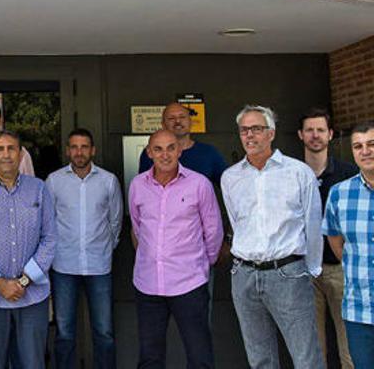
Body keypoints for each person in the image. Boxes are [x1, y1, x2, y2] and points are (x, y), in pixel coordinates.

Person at [222, 105, 324, 368]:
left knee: (306, 356)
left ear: (271, 133)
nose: (249, 135)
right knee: (260, 358)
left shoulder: (298, 172)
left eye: (256, 128)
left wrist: (311, 270)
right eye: (244, 130)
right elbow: (237, 223)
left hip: (288, 274)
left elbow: (313, 226)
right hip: (244, 276)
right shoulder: (230, 177)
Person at [129, 130, 222, 369]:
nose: (165, 154)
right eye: (158, 149)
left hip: (188, 283)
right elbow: (138, 228)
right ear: (149, 153)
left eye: (171, 147)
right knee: (150, 358)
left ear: (180, 150)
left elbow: (213, 231)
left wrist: (202, 265)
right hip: (148, 284)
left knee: (199, 355)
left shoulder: (199, 184)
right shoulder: (138, 185)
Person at [0, 130, 56, 369]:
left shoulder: (39, 189)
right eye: (0, 149)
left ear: (21, 153)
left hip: (32, 295)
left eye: (11, 148)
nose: (6, 155)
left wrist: (24, 281)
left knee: (32, 362)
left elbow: (50, 238)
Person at [45, 128, 122, 369]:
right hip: (63, 266)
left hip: (98, 266)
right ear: (68, 150)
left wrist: (104, 248)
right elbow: (47, 222)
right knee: (65, 332)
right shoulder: (54, 181)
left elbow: (116, 221)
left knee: (104, 332)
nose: (79, 152)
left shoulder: (108, 180)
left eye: (84, 147)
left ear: (93, 150)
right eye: (74, 147)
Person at [298, 108, 356, 368]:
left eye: (320, 130)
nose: (315, 135)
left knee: (350, 347)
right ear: (300, 135)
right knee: (312, 349)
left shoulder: (348, 175)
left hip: (340, 270)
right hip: (303, 272)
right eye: (309, 130)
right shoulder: (292, 175)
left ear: (330, 134)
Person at [323, 121, 374, 367]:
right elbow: (336, 242)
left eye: (371, 144)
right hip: (359, 310)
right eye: (358, 146)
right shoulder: (339, 193)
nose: (365, 151)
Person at [138, 103, 227, 185]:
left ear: (190, 122)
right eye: (171, 118)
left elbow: (228, 186)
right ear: (163, 125)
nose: (177, 121)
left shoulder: (208, 152)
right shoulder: (152, 154)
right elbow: (144, 187)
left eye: (182, 117)